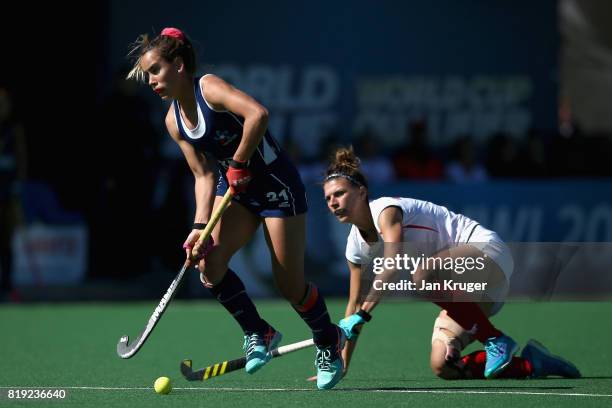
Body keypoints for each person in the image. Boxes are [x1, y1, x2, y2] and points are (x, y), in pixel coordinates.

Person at [127, 27, 344, 390]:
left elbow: (258, 114)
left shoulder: (208, 88)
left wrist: (241, 161)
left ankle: (327, 340)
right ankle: (259, 332)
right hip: (237, 190)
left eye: (155, 71)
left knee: (289, 285)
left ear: (178, 66)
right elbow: (202, 175)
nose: (151, 81)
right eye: (148, 74)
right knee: (207, 261)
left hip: (276, 185)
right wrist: (200, 227)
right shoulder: (173, 122)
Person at [321, 147, 580, 380]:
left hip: (487, 254)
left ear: (361, 191)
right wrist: (342, 363)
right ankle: (532, 365)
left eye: (339, 194)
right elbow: (353, 305)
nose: (333, 203)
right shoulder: (354, 246)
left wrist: (363, 314)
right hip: (467, 293)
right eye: (328, 199)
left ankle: (494, 339)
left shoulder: (386, 211)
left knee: (421, 275)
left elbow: (392, 263)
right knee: (442, 364)